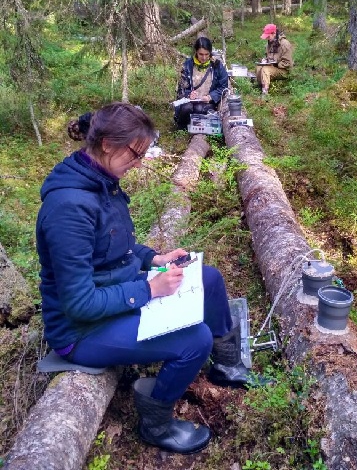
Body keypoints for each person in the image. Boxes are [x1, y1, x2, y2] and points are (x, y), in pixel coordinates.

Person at [36, 102, 254, 455]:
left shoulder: (102, 181)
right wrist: (148, 289)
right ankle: (156, 424)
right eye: (135, 154)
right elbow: (78, 303)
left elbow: (113, 243)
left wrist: (154, 257)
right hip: (81, 331)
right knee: (194, 340)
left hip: (113, 295)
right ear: (107, 144)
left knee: (209, 279)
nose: (138, 163)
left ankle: (227, 367)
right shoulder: (69, 208)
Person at [174, 37, 228, 129]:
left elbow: (223, 86)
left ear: (210, 52)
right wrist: (189, 94)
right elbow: (181, 89)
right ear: (196, 52)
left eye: (207, 54)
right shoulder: (187, 65)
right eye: (201, 54)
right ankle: (182, 129)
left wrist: (211, 96)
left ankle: (199, 128)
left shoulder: (217, 65)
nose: (204, 57)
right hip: (190, 101)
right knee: (186, 109)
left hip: (207, 102)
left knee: (199, 109)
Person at [255, 24, 294, 96]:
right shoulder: (269, 44)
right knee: (259, 67)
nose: (267, 38)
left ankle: (265, 93)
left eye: (268, 36)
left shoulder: (284, 44)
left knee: (265, 69)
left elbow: (288, 63)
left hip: (283, 70)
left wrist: (276, 63)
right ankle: (260, 86)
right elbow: (269, 57)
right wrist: (265, 60)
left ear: (274, 34)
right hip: (273, 67)